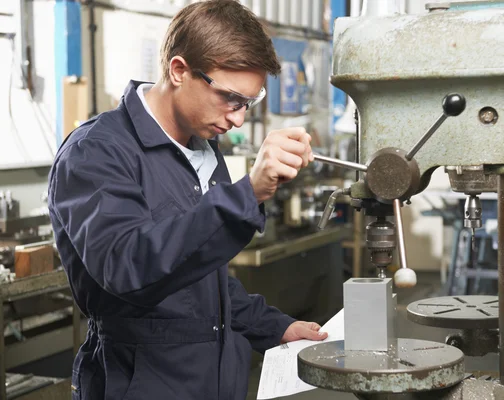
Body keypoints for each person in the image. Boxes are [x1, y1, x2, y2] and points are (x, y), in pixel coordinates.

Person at [47, 1, 328, 399]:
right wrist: (246, 194)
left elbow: (200, 280)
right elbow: (128, 267)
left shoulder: (203, 147)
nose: (238, 119)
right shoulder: (97, 152)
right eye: (231, 98)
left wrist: (272, 326)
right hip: (142, 383)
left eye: (249, 102)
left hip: (215, 381)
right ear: (179, 70)